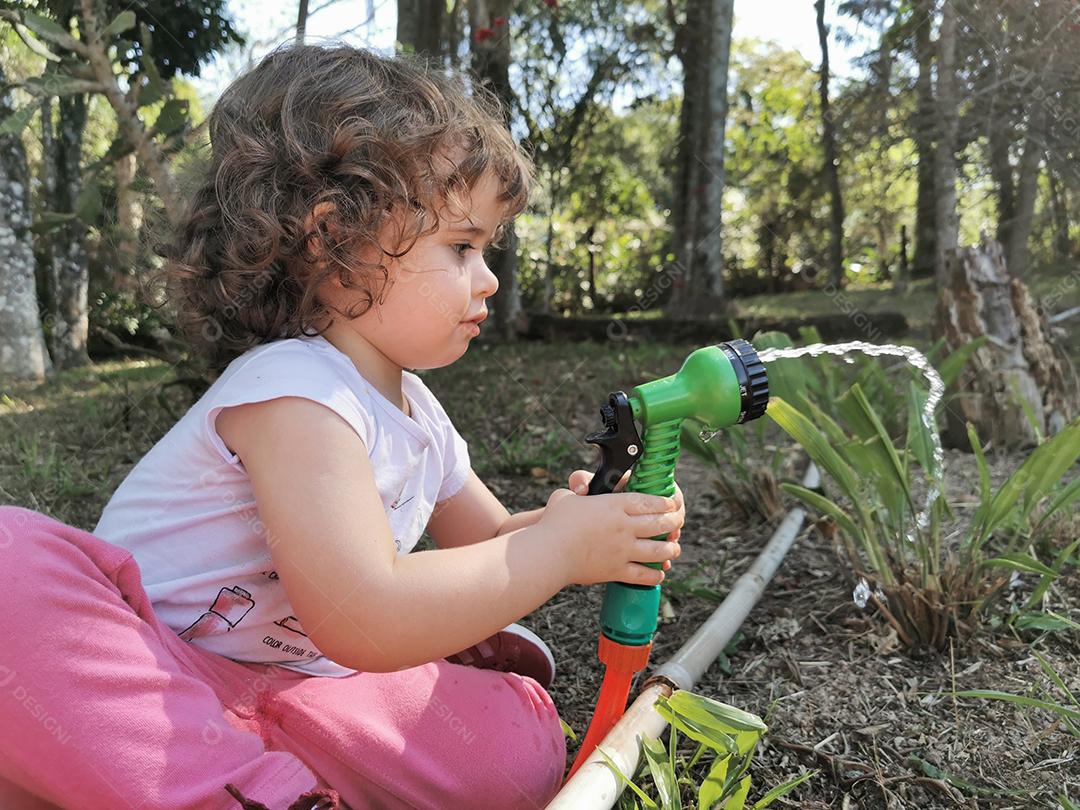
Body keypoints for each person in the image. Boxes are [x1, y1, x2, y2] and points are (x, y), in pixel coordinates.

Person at [0, 43, 684, 810]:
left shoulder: (420, 414)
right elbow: (363, 612)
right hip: (158, 679)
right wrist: (554, 549)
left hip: (297, 696)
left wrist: (590, 528)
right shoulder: (292, 391)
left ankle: (239, 781)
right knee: (7, 563)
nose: (488, 278)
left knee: (518, 747)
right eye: (461, 246)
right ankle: (243, 790)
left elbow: (494, 543)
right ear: (334, 239)